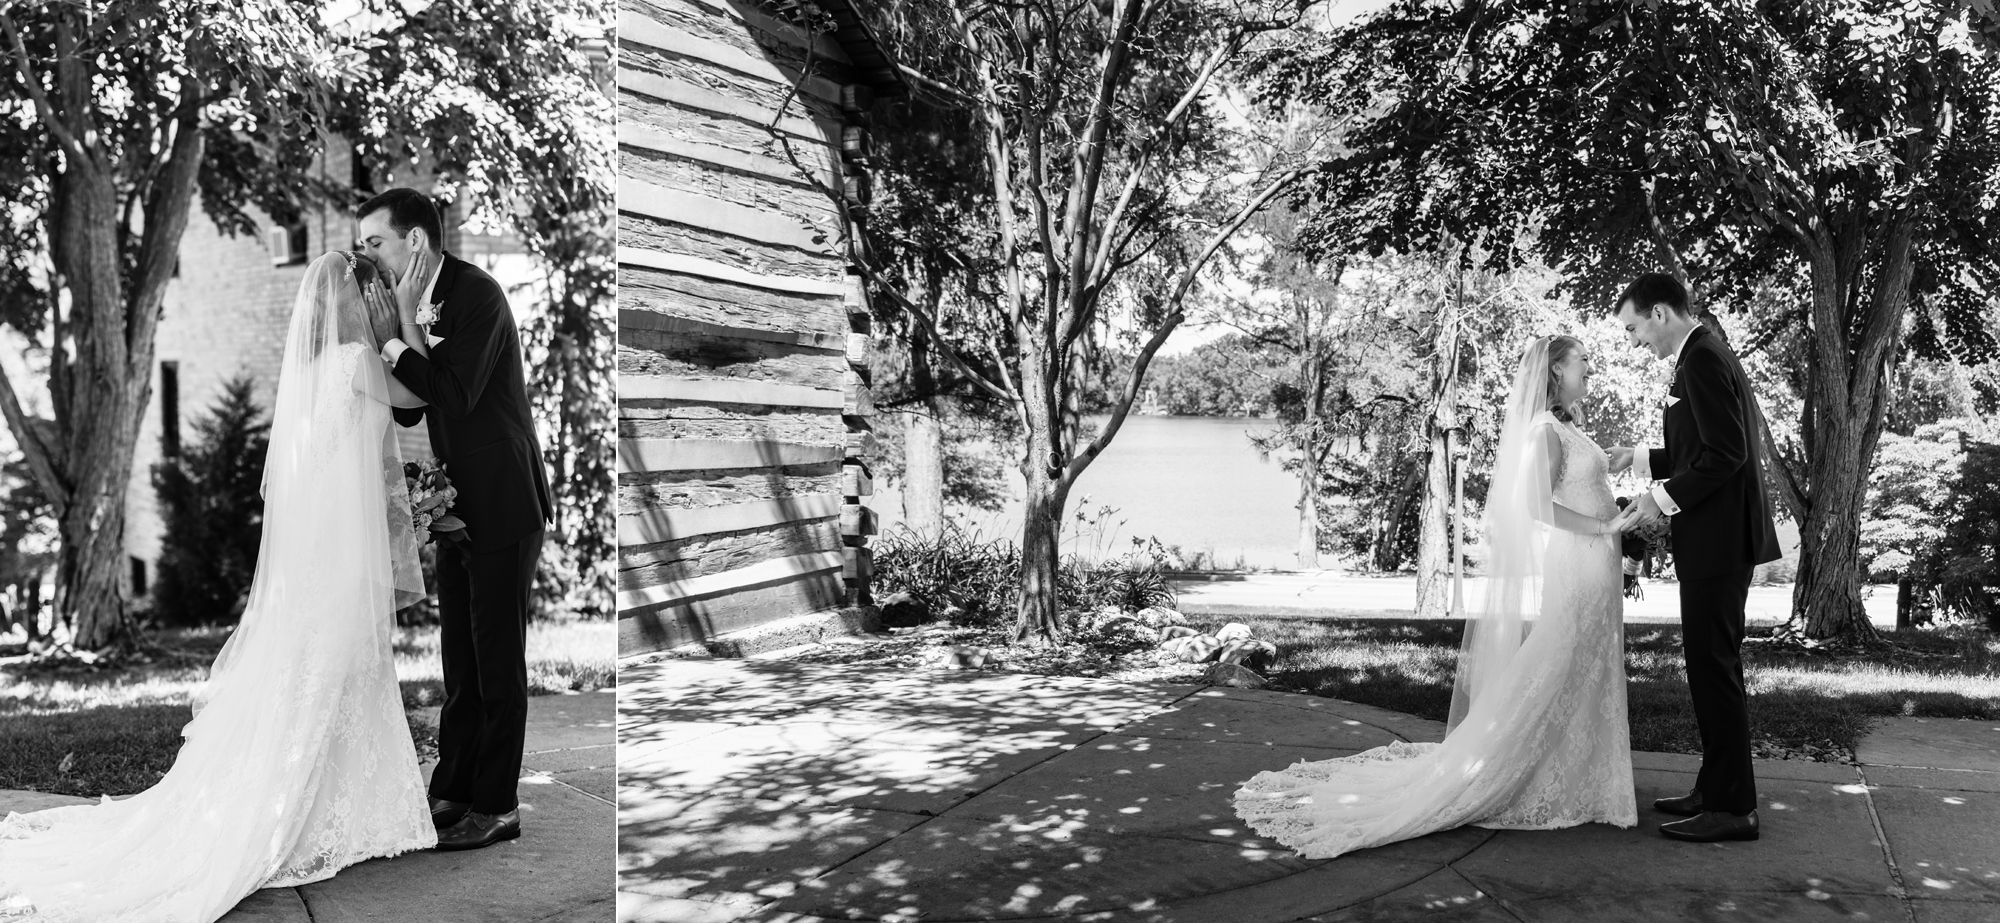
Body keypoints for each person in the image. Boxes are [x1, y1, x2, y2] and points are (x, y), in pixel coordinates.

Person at [0, 252, 435, 920]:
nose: (374, 300)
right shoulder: (355, 362)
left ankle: (340, 810)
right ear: (352, 303)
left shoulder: (319, 370)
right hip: (338, 558)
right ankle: (325, 815)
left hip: (321, 554)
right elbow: (418, 393)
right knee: (333, 675)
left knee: (321, 677)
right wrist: (400, 322)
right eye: (369, 291)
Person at [1234, 335, 1636, 858]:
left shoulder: (1568, 426)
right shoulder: (1543, 432)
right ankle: (1502, 765)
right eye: (1584, 359)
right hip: (1581, 563)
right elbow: (1536, 506)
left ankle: (1586, 779)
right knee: (1558, 659)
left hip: (1598, 566)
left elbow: (1583, 487)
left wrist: (1623, 513)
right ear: (1556, 369)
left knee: (1588, 665)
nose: (1592, 367)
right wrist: (1605, 528)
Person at [356, 188, 553, 851]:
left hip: (501, 498)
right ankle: (454, 788)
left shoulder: (478, 294)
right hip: (455, 507)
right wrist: (379, 353)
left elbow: (457, 393)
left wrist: (397, 337)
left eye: (374, 240)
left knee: (498, 664)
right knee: (461, 664)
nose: (367, 253)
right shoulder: (416, 302)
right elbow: (415, 408)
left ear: (414, 240)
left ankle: (497, 804)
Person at [1608, 272, 1781, 843]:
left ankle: (1734, 809)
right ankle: (1715, 786)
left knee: (1714, 668)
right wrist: (1636, 458)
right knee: (1708, 667)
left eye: (1634, 327)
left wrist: (1657, 501)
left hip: (1719, 540)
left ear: (1660, 313)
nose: (1635, 341)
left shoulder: (1702, 358)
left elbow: (1726, 455)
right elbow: (1699, 447)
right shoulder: (1700, 354)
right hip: (1717, 538)